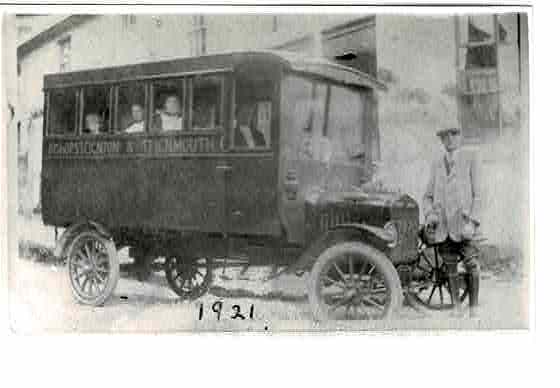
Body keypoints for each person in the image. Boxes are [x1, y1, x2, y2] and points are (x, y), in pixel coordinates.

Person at [423, 126, 482, 318]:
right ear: (441, 139)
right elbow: (427, 196)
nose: (449, 139)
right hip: (444, 227)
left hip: (464, 226)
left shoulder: (470, 159)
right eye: (444, 136)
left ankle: (473, 309)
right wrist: (430, 214)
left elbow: (479, 195)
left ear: (459, 136)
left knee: (471, 264)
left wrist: (472, 223)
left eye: (453, 134)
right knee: (450, 267)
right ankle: (456, 307)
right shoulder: (437, 163)